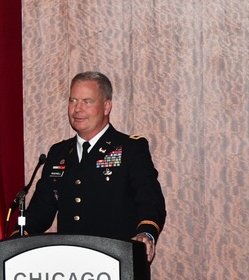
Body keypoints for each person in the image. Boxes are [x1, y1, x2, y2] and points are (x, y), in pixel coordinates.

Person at [19, 71, 166, 262]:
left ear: (106, 106)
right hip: (70, 267)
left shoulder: (130, 148)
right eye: (73, 101)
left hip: (117, 261)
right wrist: (17, 240)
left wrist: (146, 233)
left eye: (87, 102)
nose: (77, 109)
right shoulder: (59, 153)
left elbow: (150, 201)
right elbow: (40, 211)